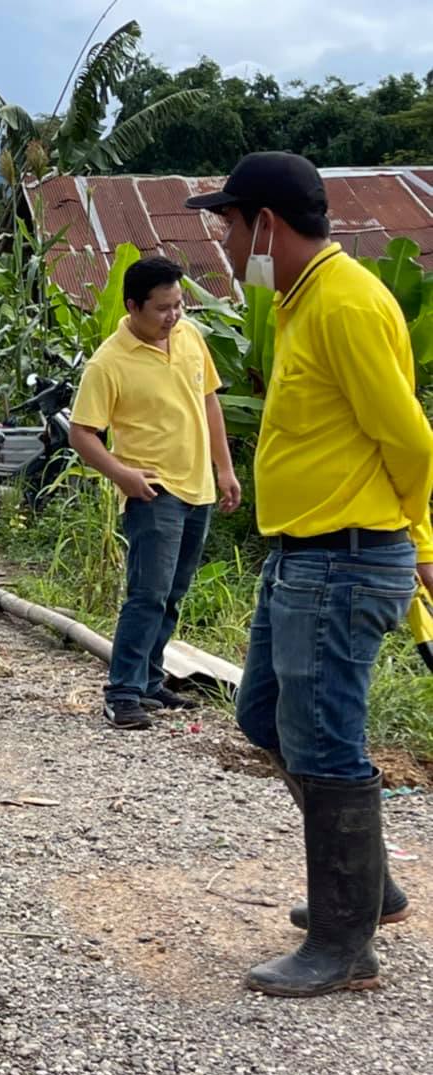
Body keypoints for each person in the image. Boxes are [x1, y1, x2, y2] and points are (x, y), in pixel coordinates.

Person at [185, 151, 433, 996]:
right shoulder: (300, 300)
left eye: (227, 222)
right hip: (304, 555)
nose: (222, 240)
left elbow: (411, 439)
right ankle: (368, 888)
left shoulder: (348, 304)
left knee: (324, 739)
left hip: (345, 557)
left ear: (267, 224)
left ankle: (344, 943)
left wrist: (423, 541)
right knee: (265, 715)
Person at [69, 256, 241, 731]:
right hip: (153, 490)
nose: (174, 316)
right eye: (163, 308)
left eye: (179, 305)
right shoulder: (109, 362)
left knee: (174, 592)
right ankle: (121, 692)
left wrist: (224, 470)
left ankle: (148, 680)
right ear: (132, 306)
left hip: (198, 487)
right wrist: (121, 474)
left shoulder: (189, 338)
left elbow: (209, 402)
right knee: (147, 593)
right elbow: (82, 433)